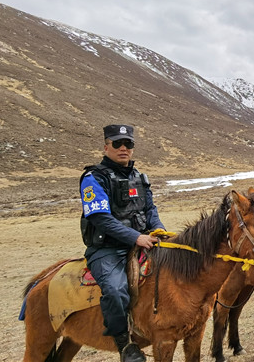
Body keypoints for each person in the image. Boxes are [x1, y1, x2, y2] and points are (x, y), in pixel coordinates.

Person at [79, 124, 163, 362]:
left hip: (142, 243)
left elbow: (150, 209)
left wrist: (160, 231)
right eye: (117, 143)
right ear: (106, 147)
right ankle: (126, 346)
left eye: (128, 144)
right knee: (116, 291)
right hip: (107, 249)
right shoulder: (93, 178)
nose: (123, 148)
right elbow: (100, 218)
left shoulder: (139, 177)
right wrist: (135, 237)